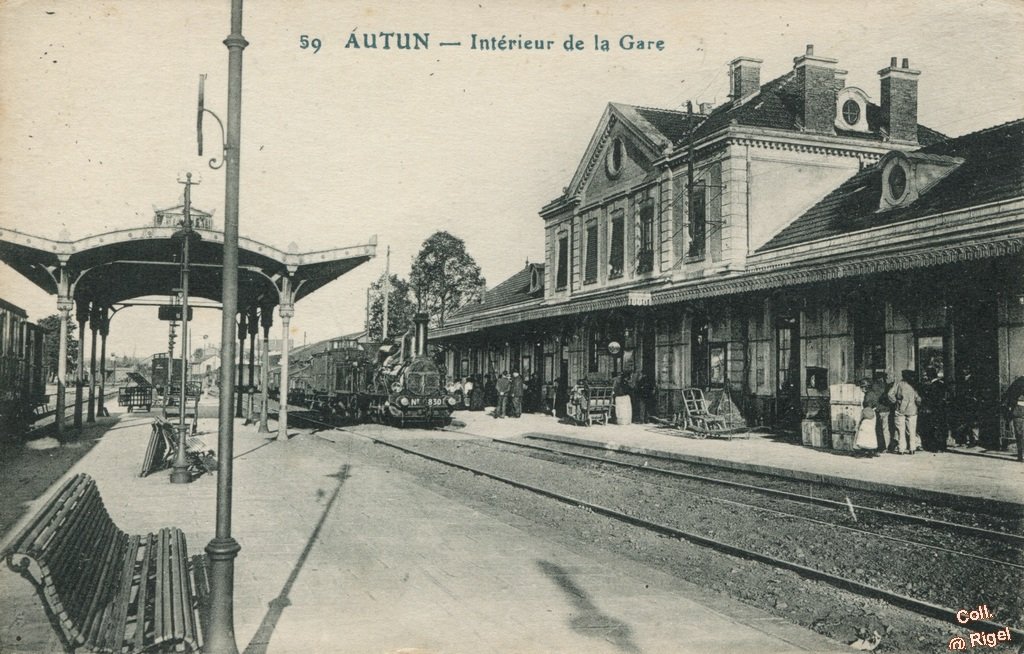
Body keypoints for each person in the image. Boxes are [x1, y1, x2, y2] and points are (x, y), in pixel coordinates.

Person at [887, 369, 922, 454]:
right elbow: (918, 398)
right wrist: (917, 404)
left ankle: (901, 449)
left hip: (900, 409)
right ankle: (912, 449)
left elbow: (890, 394)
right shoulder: (913, 386)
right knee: (912, 430)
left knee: (900, 430)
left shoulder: (898, 384)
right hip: (912, 410)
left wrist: (895, 402)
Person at [920, 367, 948, 451]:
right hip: (942, 409)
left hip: (934, 409)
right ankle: (942, 446)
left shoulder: (932, 386)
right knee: (941, 427)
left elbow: (931, 399)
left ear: (929, 376)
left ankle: (935, 447)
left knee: (934, 427)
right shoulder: (941, 384)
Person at [1004, 376, 1024, 463]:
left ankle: (1020, 455)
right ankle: (1020, 455)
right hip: (1018, 410)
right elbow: (1009, 394)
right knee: (1019, 434)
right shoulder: (1019, 382)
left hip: (1018, 411)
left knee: (1020, 434)